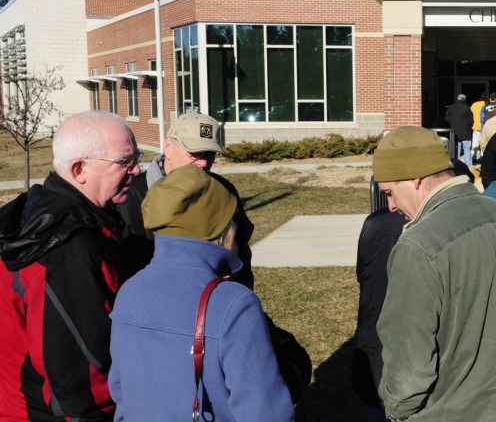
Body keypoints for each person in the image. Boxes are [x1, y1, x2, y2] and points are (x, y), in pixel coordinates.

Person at [373, 126, 496, 421]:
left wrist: (395, 411)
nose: (390, 206)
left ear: (415, 178)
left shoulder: (418, 245)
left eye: (390, 193)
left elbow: (409, 367)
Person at [109, 164, 294, 421]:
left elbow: (121, 393)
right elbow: (266, 413)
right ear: (221, 228)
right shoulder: (234, 304)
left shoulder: (129, 290)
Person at [0, 110, 141, 420]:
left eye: (137, 158)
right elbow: (82, 384)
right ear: (80, 170)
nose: (138, 170)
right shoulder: (67, 249)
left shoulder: (47, 210)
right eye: (125, 162)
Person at [118, 112, 256, 287]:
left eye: (209, 154)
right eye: (195, 153)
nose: (204, 162)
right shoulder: (132, 194)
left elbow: (241, 248)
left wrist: (240, 287)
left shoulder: (223, 190)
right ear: (168, 147)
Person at [352, 209, 407, 421]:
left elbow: (362, 275)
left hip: (373, 347)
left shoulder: (375, 223)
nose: (392, 204)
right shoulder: (433, 227)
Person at [445, 93, 474, 167]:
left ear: (457, 99)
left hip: (455, 132)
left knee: (456, 149)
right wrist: (469, 125)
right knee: (467, 149)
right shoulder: (466, 107)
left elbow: (447, 118)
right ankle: (468, 166)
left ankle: (456, 165)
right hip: (466, 132)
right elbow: (471, 120)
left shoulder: (452, 107)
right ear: (464, 99)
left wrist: (452, 124)